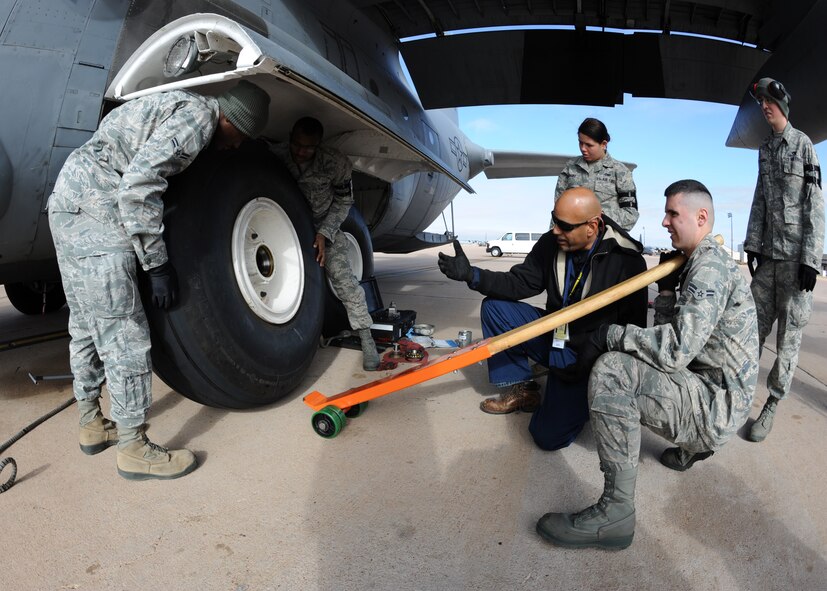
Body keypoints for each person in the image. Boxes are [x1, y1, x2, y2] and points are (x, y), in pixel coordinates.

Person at [48, 80, 271, 480]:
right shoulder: (198, 120)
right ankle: (133, 447)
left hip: (69, 202)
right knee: (123, 330)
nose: (237, 146)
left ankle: (91, 422)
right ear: (230, 119)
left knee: (85, 324)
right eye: (241, 135)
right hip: (98, 207)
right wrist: (157, 266)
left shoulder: (180, 103)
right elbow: (137, 188)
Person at [536, 180, 759, 550]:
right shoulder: (697, 262)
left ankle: (615, 514)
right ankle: (693, 447)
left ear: (701, 217)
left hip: (715, 406)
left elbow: (674, 351)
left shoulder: (709, 269)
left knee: (612, 370)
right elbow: (671, 345)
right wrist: (668, 293)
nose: (665, 222)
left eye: (673, 214)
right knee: (637, 358)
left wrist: (610, 335)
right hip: (714, 391)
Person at [437, 188, 647, 451]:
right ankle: (523, 389)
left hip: (588, 357)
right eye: (554, 220)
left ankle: (577, 397)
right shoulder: (552, 243)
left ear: (592, 226)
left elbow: (634, 332)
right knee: (495, 309)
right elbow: (520, 282)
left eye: (565, 226)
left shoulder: (628, 262)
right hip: (555, 335)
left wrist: (594, 373)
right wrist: (473, 275)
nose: (555, 230)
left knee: (547, 437)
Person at [742, 77, 824, 443]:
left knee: (789, 337)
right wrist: (752, 244)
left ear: (784, 106)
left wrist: (811, 258)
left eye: (770, 101)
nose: (764, 106)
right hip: (769, 260)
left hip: (795, 262)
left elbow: (815, 204)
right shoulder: (764, 148)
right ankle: (739, 390)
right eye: (761, 102)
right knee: (749, 326)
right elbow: (760, 197)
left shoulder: (804, 146)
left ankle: (772, 403)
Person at [268, 117, 380, 371]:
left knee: (344, 282)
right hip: (285, 225)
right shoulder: (276, 154)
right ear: (290, 136)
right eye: (296, 144)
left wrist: (325, 233)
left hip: (323, 227)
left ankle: (366, 338)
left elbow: (343, 202)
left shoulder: (335, 163)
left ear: (318, 145)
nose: (300, 152)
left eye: (308, 148)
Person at [553, 118, 639, 231]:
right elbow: (558, 209)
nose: (583, 149)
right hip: (572, 239)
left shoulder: (620, 172)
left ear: (603, 144)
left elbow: (630, 215)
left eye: (589, 145)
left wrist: (597, 219)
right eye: (580, 142)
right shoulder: (570, 168)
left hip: (606, 238)